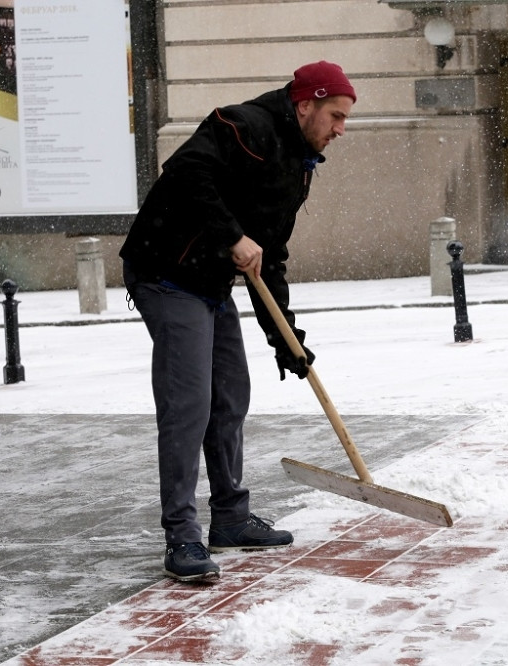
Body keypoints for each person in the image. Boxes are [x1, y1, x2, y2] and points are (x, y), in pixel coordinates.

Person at [120, 61, 356, 581]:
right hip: (166, 270)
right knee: (190, 403)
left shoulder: (298, 164)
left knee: (230, 394)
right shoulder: (241, 125)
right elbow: (184, 174)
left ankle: (229, 517)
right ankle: (182, 535)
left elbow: (268, 259)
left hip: (208, 280)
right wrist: (231, 235)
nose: (341, 129)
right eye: (335, 116)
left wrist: (286, 340)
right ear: (305, 105)